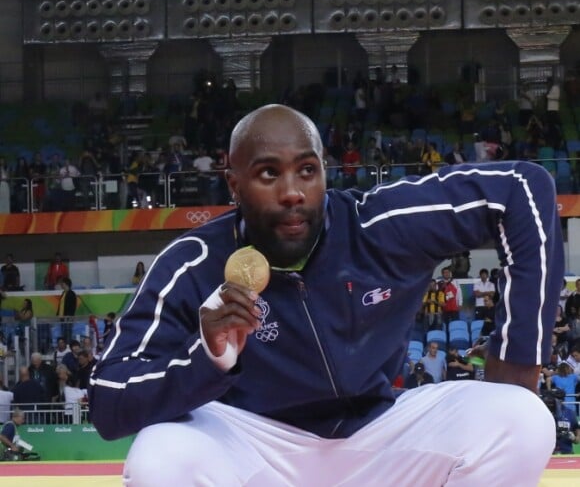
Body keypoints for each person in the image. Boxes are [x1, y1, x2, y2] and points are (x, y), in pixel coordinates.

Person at [90, 104, 564, 487]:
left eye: (307, 170)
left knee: (522, 418)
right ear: (234, 184)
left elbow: (524, 188)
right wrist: (206, 359)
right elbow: (108, 404)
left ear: (324, 174)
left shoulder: (378, 226)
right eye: (268, 174)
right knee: (160, 460)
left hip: (381, 440)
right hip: (255, 447)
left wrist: (519, 352)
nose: (293, 192)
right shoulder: (192, 263)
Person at [57, 277, 77, 342]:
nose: (61, 285)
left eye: (62, 284)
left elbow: (72, 307)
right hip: (62, 318)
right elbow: (61, 305)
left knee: (68, 333)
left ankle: (68, 345)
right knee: (63, 333)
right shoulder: (63, 293)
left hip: (68, 318)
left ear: (65, 284)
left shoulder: (71, 294)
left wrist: (69, 316)